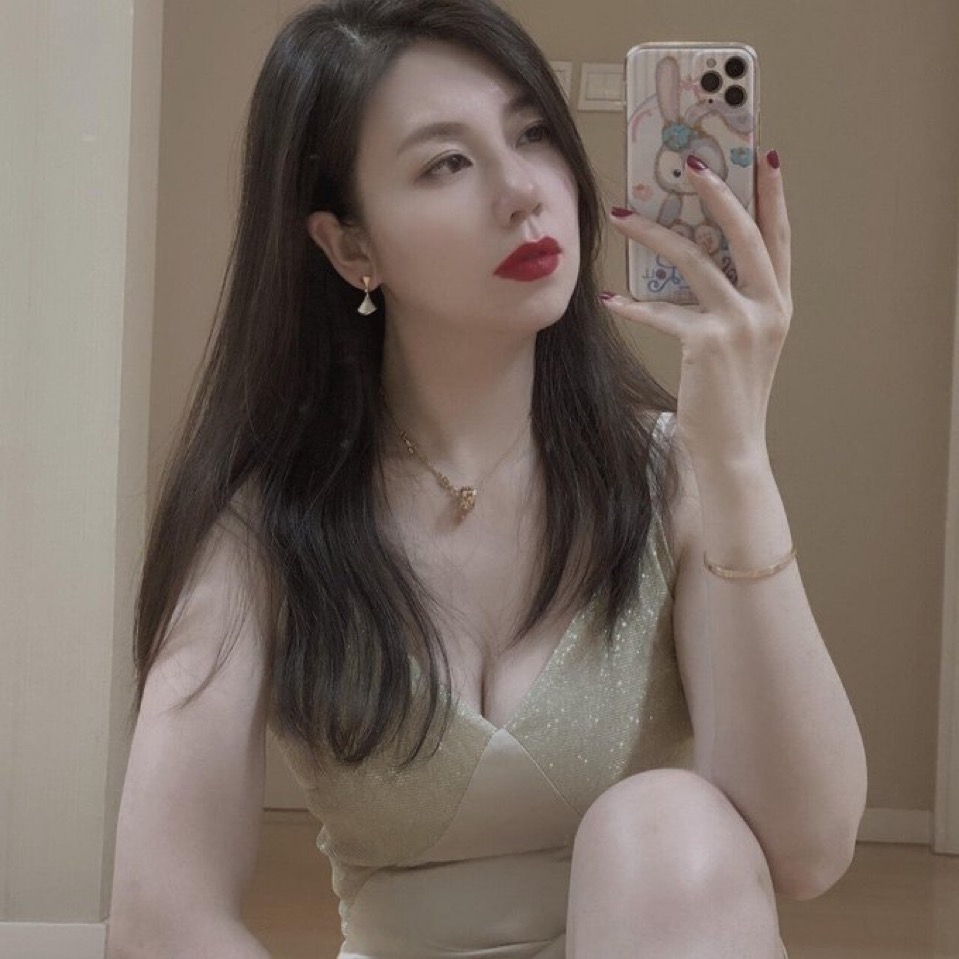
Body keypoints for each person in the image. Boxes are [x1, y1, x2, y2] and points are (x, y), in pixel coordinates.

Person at [107, 1, 868, 957]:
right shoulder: (264, 528)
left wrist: (735, 461)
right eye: (446, 163)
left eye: (533, 133)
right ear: (350, 246)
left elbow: (807, 849)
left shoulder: (671, 472)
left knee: (667, 823)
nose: (522, 191)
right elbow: (160, 915)